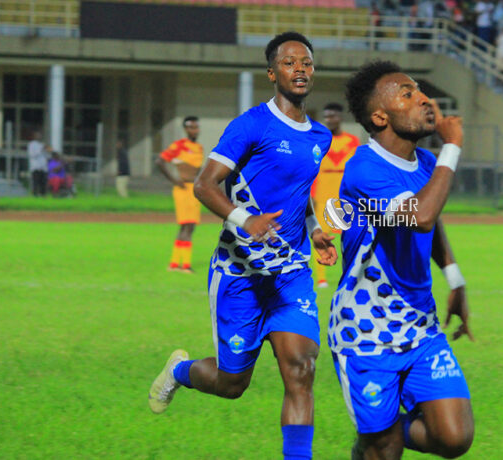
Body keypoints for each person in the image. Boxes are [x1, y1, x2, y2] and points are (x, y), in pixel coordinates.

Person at [147, 32, 337, 460]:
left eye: (307, 62)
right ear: (272, 73)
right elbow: (204, 185)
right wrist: (245, 220)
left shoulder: (320, 136)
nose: (300, 69)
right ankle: (179, 370)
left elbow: (300, 191)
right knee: (231, 384)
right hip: (239, 276)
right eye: (289, 63)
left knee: (301, 371)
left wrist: (313, 229)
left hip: (290, 274)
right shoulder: (251, 125)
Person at [332, 60, 474, 459]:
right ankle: (377, 438)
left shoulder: (426, 164)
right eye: (408, 94)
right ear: (380, 117)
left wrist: (455, 278)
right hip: (366, 332)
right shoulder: (364, 169)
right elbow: (420, 214)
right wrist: (452, 146)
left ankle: (380, 432)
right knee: (385, 450)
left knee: (454, 438)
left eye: (421, 91)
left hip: (420, 326)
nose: (424, 100)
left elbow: (431, 221)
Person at [310, 102, 359, 288]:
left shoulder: (352, 142)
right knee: (321, 236)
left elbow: (356, 169)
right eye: (326, 116)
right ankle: (321, 277)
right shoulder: (319, 141)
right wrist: (312, 195)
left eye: (332, 116)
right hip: (323, 195)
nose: (329, 119)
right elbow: (313, 170)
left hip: (346, 195)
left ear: (340, 117)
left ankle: (349, 274)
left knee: (350, 236)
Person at [155, 116, 203, 273]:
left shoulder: (199, 148)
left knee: (188, 226)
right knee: (188, 225)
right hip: (183, 189)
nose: (195, 130)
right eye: (191, 127)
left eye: (196, 127)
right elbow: (160, 161)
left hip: (193, 189)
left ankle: (174, 264)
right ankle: (186, 265)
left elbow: (198, 170)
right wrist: (174, 180)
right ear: (185, 129)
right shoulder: (179, 145)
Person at [27, 130, 48, 197]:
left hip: (43, 167)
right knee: (36, 183)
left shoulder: (42, 144)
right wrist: (41, 149)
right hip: (36, 167)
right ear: (34, 136)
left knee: (43, 183)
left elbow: (46, 156)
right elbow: (32, 155)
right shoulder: (31, 144)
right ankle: (35, 195)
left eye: (40, 135)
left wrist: (46, 150)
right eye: (37, 135)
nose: (39, 137)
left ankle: (43, 196)